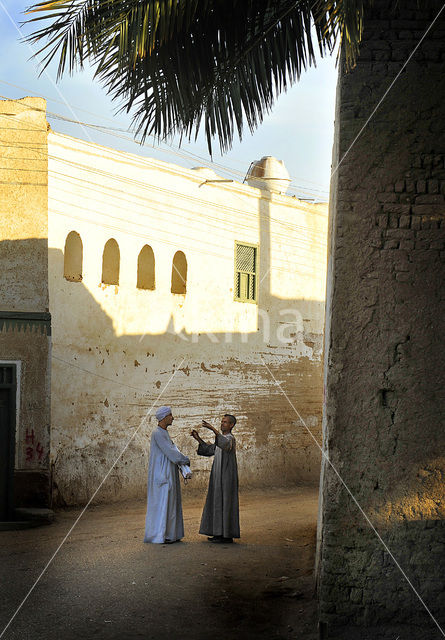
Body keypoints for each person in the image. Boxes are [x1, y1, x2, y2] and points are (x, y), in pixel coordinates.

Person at [144, 406, 190, 544]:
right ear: (164, 417)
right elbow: (171, 453)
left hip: (168, 473)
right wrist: (185, 459)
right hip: (162, 474)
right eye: (170, 415)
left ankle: (171, 534)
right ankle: (161, 535)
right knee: (163, 504)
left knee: (170, 503)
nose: (173, 418)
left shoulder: (164, 433)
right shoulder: (157, 433)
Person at [191, 415, 240, 543]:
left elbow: (224, 444)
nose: (222, 424)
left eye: (225, 422)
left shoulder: (230, 439)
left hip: (227, 478)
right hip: (218, 477)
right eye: (222, 422)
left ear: (231, 425)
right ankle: (218, 533)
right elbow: (209, 450)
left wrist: (212, 428)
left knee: (226, 504)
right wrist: (198, 439)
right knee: (217, 503)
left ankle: (227, 535)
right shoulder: (220, 440)